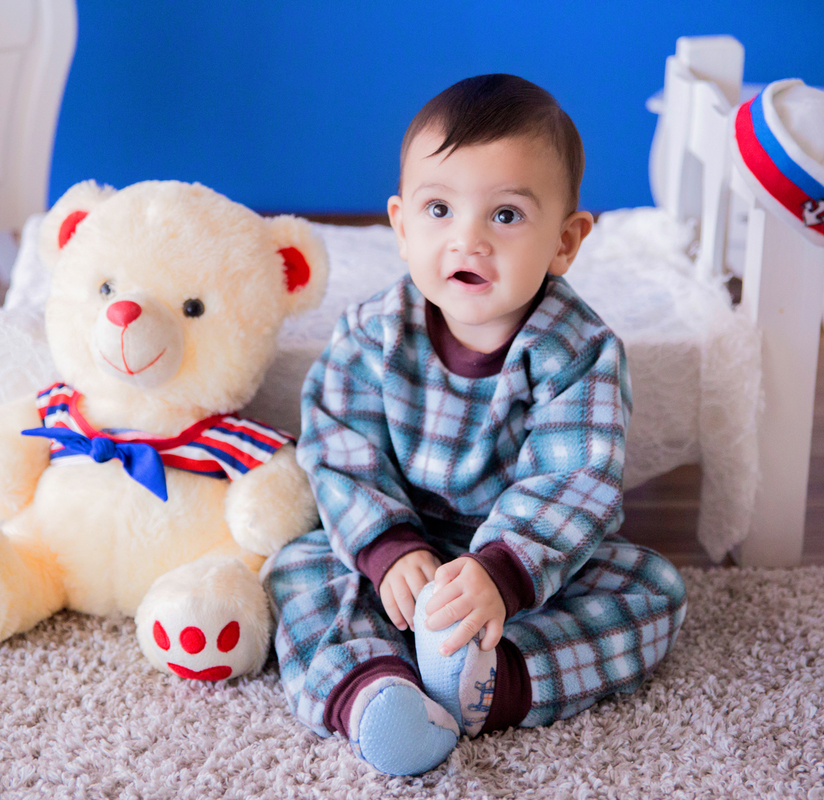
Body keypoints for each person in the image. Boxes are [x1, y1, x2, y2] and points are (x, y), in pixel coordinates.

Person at [262, 74, 687, 776]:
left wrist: (497, 573)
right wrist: (389, 550)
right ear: (400, 226)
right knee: (298, 571)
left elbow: (575, 478)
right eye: (439, 209)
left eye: (507, 216)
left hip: (523, 572)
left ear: (566, 241)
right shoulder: (372, 335)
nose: (468, 240)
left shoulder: (576, 351)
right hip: (403, 554)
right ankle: (375, 695)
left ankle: (493, 682)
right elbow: (340, 449)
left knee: (653, 593)